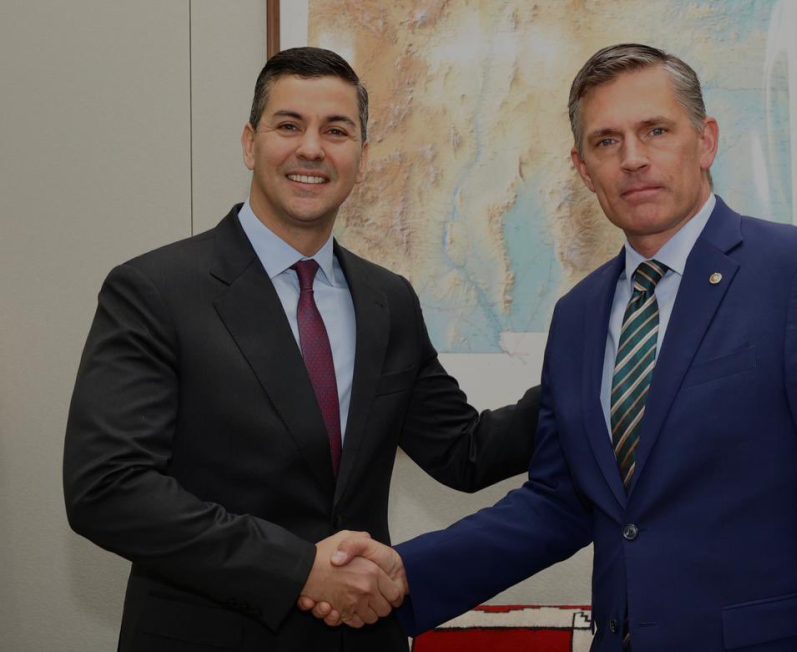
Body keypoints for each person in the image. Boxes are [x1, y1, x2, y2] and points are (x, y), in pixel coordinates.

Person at [320, 43, 797, 650]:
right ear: (582, 169)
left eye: (655, 130)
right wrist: (405, 573)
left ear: (705, 141)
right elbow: (559, 502)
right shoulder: (578, 316)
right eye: (607, 141)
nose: (633, 159)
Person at [63, 47, 539, 651]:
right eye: (289, 125)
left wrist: (594, 376)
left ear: (361, 158)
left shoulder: (387, 300)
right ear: (249, 143)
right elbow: (108, 488)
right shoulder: (155, 291)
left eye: (336, 131)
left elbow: (463, 452)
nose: (311, 148)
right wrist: (295, 569)